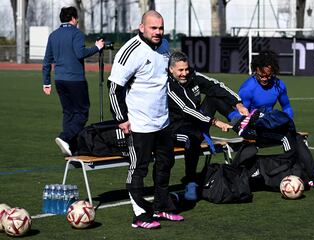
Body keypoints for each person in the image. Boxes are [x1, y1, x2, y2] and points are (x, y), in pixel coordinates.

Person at [107, 10, 183, 230]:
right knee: (138, 168)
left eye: (160, 28)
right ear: (142, 27)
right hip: (139, 123)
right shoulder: (130, 51)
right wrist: (121, 118)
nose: (158, 32)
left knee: (165, 165)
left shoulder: (165, 46)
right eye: (153, 28)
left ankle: (161, 207)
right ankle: (140, 214)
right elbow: (114, 88)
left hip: (163, 122)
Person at [231, 50, 314, 188]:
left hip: (273, 125)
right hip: (255, 131)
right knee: (288, 137)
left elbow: (287, 107)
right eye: (261, 75)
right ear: (255, 70)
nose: (265, 79)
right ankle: (292, 173)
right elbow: (238, 115)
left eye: (268, 75)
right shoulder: (248, 89)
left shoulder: (279, 85)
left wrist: (288, 119)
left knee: (296, 137)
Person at [167, 51, 258, 201]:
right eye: (180, 70)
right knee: (192, 139)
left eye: (186, 69)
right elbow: (187, 109)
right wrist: (214, 121)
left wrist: (238, 103)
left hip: (197, 120)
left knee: (214, 96)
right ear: (171, 69)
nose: (185, 73)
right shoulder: (168, 85)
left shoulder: (193, 76)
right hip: (176, 128)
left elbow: (216, 85)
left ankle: (238, 123)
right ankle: (190, 183)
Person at [42, 6, 104, 156]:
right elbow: (80, 53)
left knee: (68, 112)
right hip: (75, 79)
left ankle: (70, 147)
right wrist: (97, 47)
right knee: (82, 113)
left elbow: (46, 61)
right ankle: (65, 137)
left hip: (59, 79)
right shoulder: (76, 33)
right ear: (74, 18)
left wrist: (46, 82)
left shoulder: (53, 35)